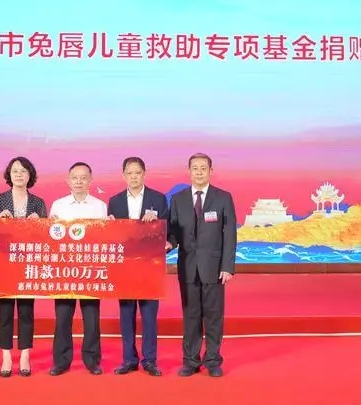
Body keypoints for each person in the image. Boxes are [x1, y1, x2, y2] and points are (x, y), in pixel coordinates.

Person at [167, 153, 237, 378]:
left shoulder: (223, 198)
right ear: (189, 171)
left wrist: (227, 266)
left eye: (203, 168)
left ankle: (213, 360)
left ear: (210, 171)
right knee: (191, 316)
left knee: (213, 316)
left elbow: (230, 235)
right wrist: (168, 243)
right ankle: (191, 361)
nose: (199, 172)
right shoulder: (178, 199)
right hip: (187, 268)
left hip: (214, 268)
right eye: (195, 168)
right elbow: (173, 233)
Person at [107, 156, 170, 377]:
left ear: (144, 174)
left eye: (137, 173)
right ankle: (129, 360)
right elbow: (111, 236)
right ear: (123, 175)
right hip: (125, 267)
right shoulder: (114, 202)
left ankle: (150, 360)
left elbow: (168, 230)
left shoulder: (158, 199)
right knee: (126, 315)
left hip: (150, 266)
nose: (133, 177)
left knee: (149, 316)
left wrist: (158, 225)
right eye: (129, 173)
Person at [0, 156, 48, 378]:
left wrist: (40, 224)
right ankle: (5, 356)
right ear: (9, 175)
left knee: (26, 310)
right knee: (4, 310)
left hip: (28, 263)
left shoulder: (38, 203)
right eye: (15, 171)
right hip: (3, 263)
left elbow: (47, 237)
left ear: (30, 175)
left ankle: (24, 355)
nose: (19, 174)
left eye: (23, 171)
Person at [48, 162, 108, 376]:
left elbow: (104, 237)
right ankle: (61, 361)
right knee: (63, 317)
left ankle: (92, 360)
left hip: (90, 270)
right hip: (64, 270)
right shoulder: (58, 205)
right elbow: (51, 237)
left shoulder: (100, 206)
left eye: (83, 178)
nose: (79, 182)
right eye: (75, 177)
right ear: (68, 180)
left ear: (90, 181)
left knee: (91, 318)